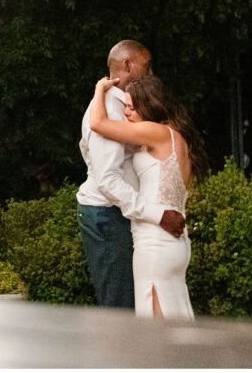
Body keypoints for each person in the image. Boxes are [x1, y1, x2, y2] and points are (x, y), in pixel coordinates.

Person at [89, 74, 208, 321]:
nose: (127, 113)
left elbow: (98, 123)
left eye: (132, 107)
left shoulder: (156, 132)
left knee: (157, 332)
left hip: (155, 244)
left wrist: (100, 89)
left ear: (149, 105)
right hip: (175, 245)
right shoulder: (178, 138)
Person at [76, 40, 186, 309]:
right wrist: (158, 214)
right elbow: (107, 181)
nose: (150, 72)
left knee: (136, 305)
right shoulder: (107, 109)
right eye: (146, 66)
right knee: (119, 309)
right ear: (127, 65)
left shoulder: (127, 108)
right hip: (107, 214)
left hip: (125, 214)